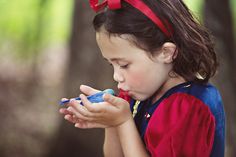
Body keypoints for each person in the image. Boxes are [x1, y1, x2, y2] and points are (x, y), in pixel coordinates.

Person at [59, 0, 225, 156]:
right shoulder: (140, 95)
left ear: (166, 53)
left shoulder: (190, 107)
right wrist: (111, 122)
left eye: (124, 65)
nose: (116, 76)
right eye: (112, 65)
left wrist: (123, 122)